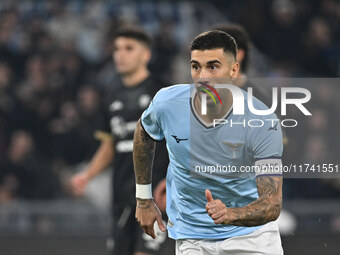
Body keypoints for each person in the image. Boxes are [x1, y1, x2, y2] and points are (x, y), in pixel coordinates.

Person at [133, 30, 284, 254]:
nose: (203, 76)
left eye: (213, 66)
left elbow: (272, 203)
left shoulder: (261, 120)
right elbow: (143, 133)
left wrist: (230, 214)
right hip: (192, 236)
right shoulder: (167, 103)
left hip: (251, 237)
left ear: (234, 69)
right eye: (196, 66)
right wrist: (143, 199)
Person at [70, 26, 174, 255]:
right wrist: (87, 175)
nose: (120, 54)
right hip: (122, 195)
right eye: (117, 48)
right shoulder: (111, 96)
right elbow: (109, 145)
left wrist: (171, 179)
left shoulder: (162, 93)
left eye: (128, 48)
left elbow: (182, 140)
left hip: (155, 195)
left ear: (145, 55)